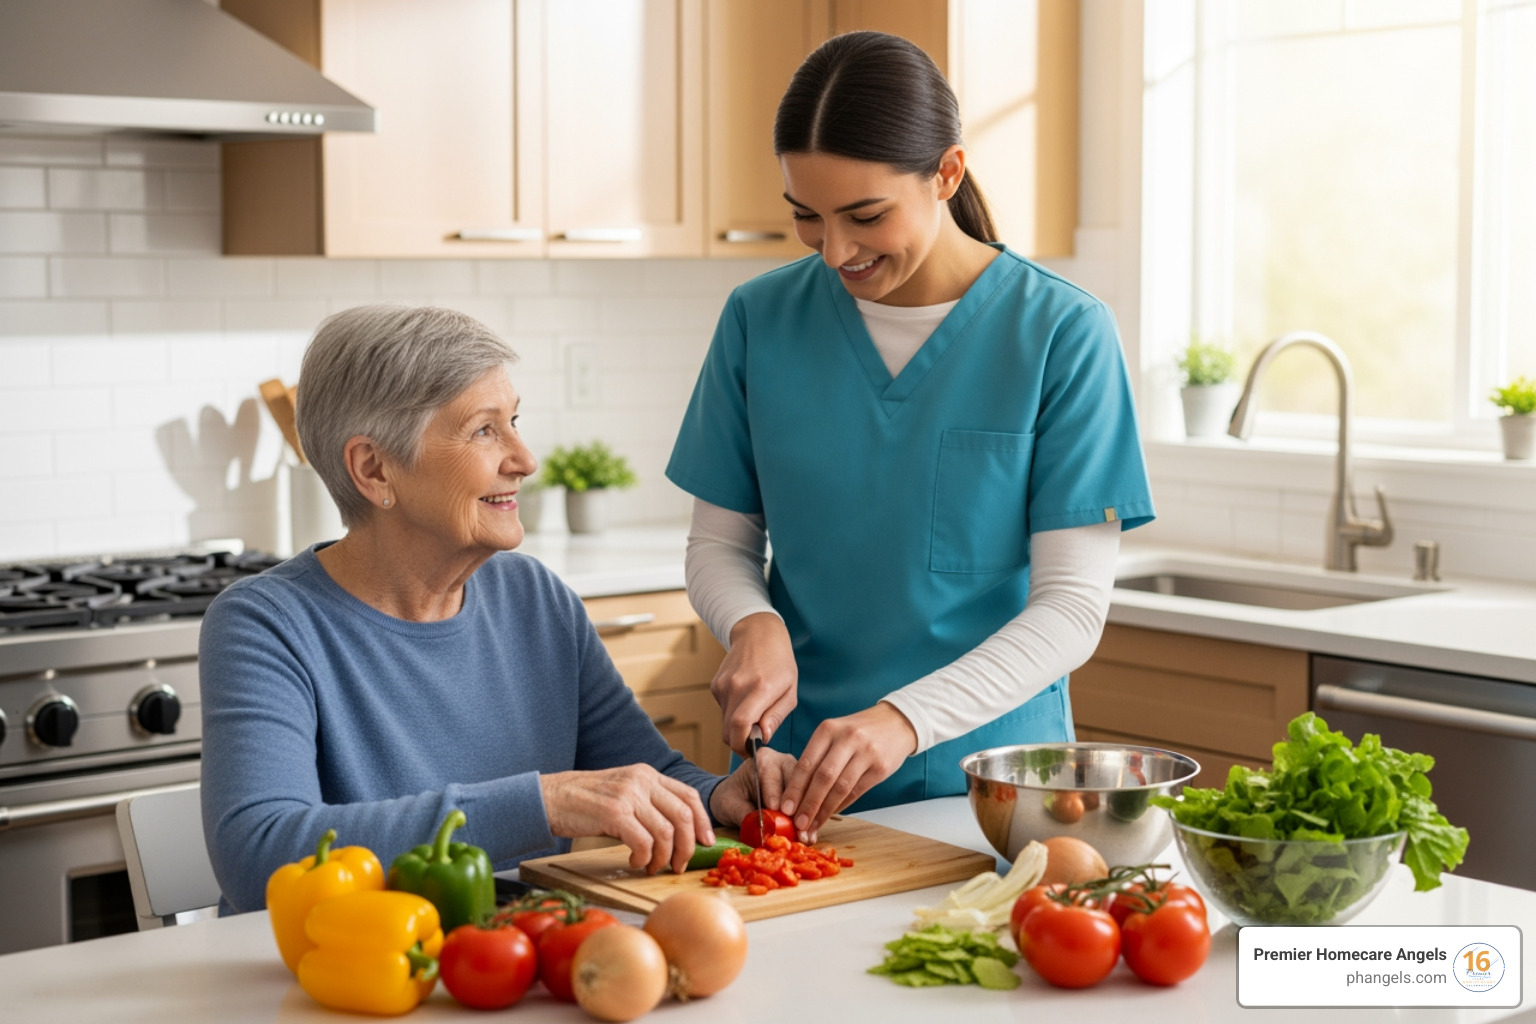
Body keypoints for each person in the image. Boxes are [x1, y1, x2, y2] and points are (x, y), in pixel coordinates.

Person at [666, 32, 1154, 840]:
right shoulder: (759, 320)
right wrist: (752, 623)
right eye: (806, 216)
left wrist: (905, 719)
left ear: (947, 174)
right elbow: (718, 544)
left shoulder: (1061, 333)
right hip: (795, 783)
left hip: (993, 793)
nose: (835, 251)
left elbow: (1071, 609)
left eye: (866, 216)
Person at [200, 304, 791, 914]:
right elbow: (259, 856)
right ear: (374, 470)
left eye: (513, 421)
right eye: (484, 431)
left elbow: (648, 770)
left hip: (508, 952)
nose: (525, 459)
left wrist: (719, 796)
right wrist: (545, 803)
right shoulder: (265, 624)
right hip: (340, 964)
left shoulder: (535, 599)